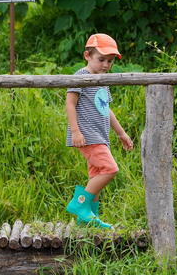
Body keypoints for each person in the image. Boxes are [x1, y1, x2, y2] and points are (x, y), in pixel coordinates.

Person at [65, 33, 133, 229]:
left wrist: (121, 133)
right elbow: (70, 104)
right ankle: (79, 206)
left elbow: (106, 109)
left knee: (97, 176)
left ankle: (89, 219)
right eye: (101, 59)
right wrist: (76, 132)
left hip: (100, 136)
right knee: (111, 169)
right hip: (87, 136)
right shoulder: (80, 76)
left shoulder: (102, 79)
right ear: (87, 56)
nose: (105, 65)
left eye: (110, 61)